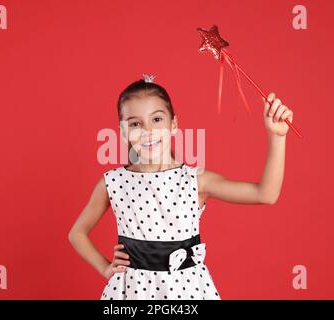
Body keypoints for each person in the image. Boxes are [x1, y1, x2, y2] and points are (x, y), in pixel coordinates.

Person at [68, 74, 294, 299]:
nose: (148, 131)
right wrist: (104, 268)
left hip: (185, 292)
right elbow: (77, 233)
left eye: (156, 120)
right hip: (131, 291)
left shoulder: (196, 180)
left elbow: (266, 194)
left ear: (173, 124)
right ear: (123, 130)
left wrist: (277, 137)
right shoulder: (113, 182)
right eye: (136, 123)